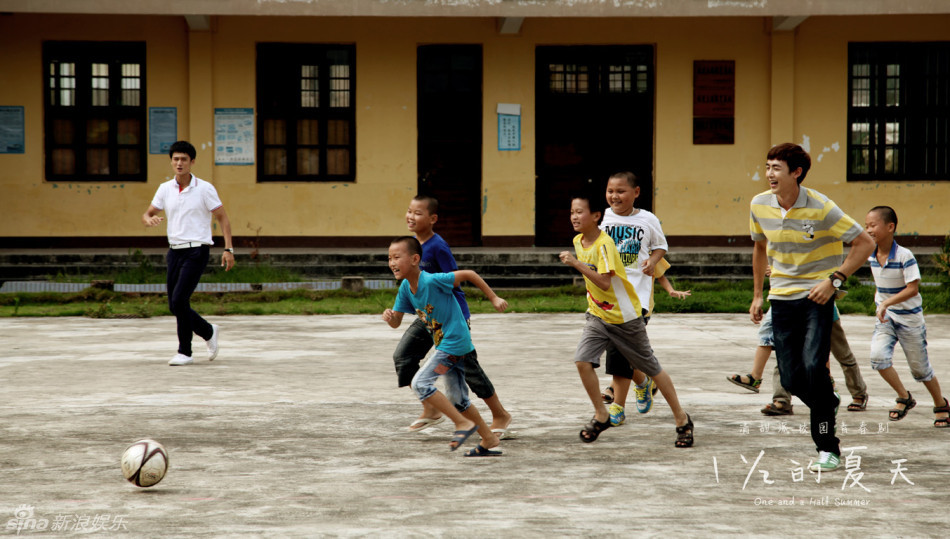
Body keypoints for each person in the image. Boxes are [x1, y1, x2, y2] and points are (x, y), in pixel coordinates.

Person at [749, 143, 874, 472]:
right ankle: (828, 402)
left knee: (812, 367)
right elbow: (760, 247)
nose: (769, 174)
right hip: (780, 298)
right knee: (791, 379)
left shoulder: (822, 207)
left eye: (776, 168)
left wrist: (834, 281)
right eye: (767, 167)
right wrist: (758, 294)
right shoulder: (759, 204)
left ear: (796, 173)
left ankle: (827, 448)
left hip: (817, 298)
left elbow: (865, 243)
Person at [559, 193, 693, 447]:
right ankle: (602, 414)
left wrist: (576, 264)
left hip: (625, 317)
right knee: (582, 361)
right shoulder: (578, 241)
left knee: (652, 368)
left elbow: (604, 281)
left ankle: (682, 420)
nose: (574, 217)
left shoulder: (605, 244)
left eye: (580, 212)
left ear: (597, 216)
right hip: (598, 315)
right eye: (572, 212)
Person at [392, 195, 512, 436]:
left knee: (470, 370)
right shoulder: (410, 246)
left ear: (433, 219)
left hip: (452, 319)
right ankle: (431, 409)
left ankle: (500, 414)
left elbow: (456, 280)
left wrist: (485, 302)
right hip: (427, 315)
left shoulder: (438, 247)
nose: (411, 216)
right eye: (409, 211)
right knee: (403, 356)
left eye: (418, 213)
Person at [382, 236, 506, 456]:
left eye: (397, 257)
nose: (392, 263)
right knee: (458, 399)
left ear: (414, 259)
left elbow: (469, 274)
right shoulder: (405, 287)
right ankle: (488, 439)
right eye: (389, 258)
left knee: (421, 383)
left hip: (454, 345)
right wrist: (390, 317)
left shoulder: (432, 280)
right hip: (450, 349)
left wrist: (494, 298)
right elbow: (397, 323)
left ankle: (462, 424)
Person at [597, 172, 688, 427]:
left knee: (618, 351)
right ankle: (643, 382)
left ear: (636, 192)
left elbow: (661, 247)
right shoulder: (601, 218)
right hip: (606, 298)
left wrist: (653, 260)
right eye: (610, 191)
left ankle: (617, 407)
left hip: (637, 300)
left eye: (621, 191)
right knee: (627, 352)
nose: (614, 196)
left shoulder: (648, 219)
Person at [142, 140, 234, 366]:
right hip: (174, 252)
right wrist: (149, 218)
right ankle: (208, 331)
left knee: (180, 299)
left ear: (192, 162)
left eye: (184, 159)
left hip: (197, 250)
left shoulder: (204, 188)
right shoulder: (165, 189)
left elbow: (222, 217)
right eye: (175, 159)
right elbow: (148, 212)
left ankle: (185, 352)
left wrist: (228, 249)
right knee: (174, 305)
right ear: (171, 162)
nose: (179, 163)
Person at [864, 206, 948, 428]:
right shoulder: (871, 255)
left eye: (873, 225)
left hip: (910, 321)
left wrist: (886, 302)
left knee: (920, 370)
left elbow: (913, 289)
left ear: (890, 227)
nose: (868, 229)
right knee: (878, 358)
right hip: (886, 319)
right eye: (866, 226)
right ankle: (904, 397)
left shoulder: (905, 256)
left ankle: (941, 405)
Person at [728, 306, 869, 415]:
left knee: (842, 354)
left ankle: (858, 393)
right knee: (786, 356)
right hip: (793, 310)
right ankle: (782, 401)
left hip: (822, 310)